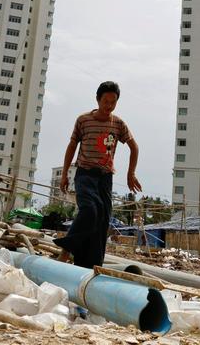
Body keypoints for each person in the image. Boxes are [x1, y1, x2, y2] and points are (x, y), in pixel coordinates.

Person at [53, 81, 141, 268]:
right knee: (90, 210)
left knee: (102, 220)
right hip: (85, 174)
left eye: (113, 102)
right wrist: (64, 175)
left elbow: (134, 147)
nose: (109, 106)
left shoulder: (118, 124)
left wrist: (130, 173)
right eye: (106, 101)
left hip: (105, 177)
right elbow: (72, 146)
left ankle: (90, 264)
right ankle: (67, 249)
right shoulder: (83, 120)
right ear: (98, 100)